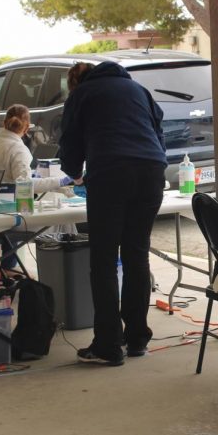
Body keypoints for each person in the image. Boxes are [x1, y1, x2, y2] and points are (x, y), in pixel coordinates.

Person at [58, 61, 167, 367]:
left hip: (110, 172)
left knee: (104, 260)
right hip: (151, 172)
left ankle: (107, 344)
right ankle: (136, 339)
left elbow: (69, 145)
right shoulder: (139, 90)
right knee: (136, 255)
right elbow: (159, 134)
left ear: (75, 84)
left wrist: (76, 172)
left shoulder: (82, 95)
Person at [0, 104, 73, 192]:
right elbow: (25, 186)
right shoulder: (19, 150)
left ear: (5, 123)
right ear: (26, 128)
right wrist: (61, 180)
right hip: (9, 204)